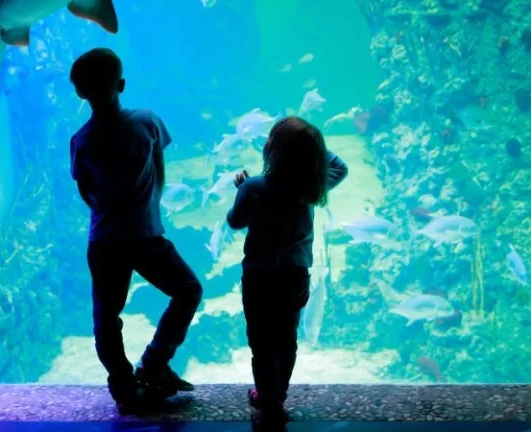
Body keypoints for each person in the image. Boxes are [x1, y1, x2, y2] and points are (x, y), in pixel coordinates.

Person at [68, 48, 203, 414]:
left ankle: (124, 386)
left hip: (105, 240)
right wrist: (148, 205)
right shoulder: (147, 122)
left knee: (106, 316)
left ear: (80, 93)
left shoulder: (81, 140)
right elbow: (160, 166)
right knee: (188, 290)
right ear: (122, 84)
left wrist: (110, 211)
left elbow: (86, 190)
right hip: (145, 236)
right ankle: (154, 365)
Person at [226, 117, 348, 426]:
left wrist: (242, 190)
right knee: (286, 338)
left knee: (261, 341)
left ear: (272, 151)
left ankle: (266, 398)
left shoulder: (254, 185)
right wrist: (310, 146)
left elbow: (235, 221)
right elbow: (341, 167)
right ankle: (277, 396)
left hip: (260, 277)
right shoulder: (311, 185)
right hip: (295, 275)